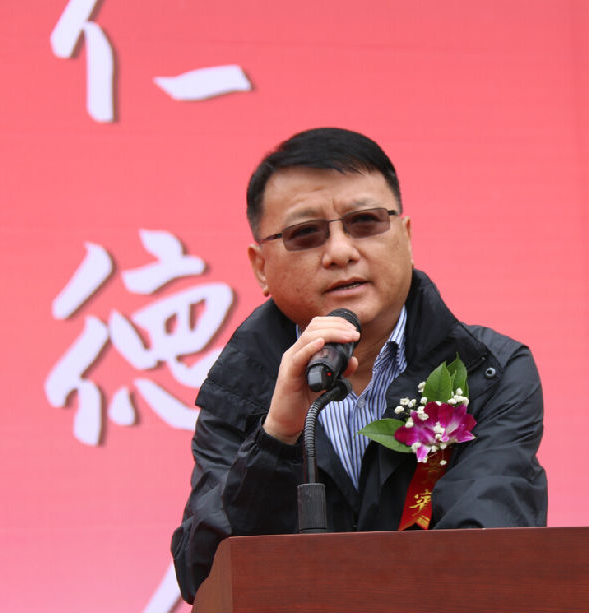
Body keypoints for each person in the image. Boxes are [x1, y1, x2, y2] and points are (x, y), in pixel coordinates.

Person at [171, 127, 547, 603]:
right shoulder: (239, 390)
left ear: (406, 236)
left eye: (365, 222)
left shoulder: (489, 371)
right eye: (305, 234)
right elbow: (207, 577)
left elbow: (489, 555)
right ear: (261, 266)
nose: (340, 252)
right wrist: (277, 437)